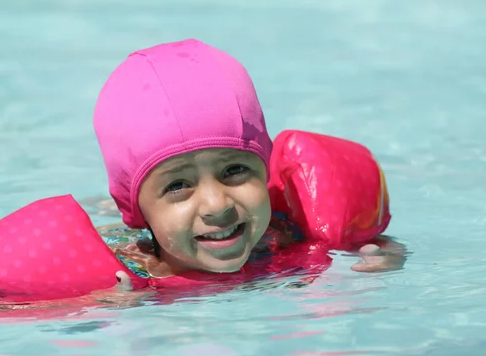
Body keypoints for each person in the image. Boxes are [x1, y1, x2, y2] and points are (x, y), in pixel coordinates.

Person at [92, 38, 406, 292]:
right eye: (177, 185)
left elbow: (379, 247)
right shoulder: (127, 272)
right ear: (136, 210)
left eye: (234, 170)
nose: (217, 206)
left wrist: (387, 259)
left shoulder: (285, 237)